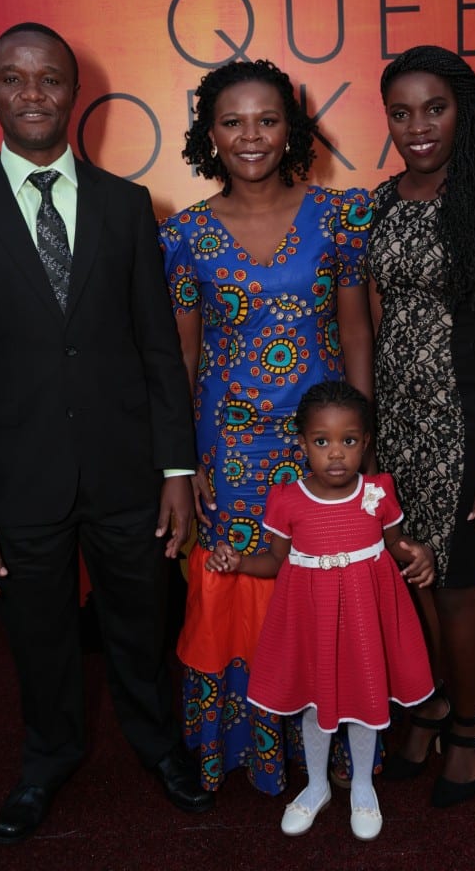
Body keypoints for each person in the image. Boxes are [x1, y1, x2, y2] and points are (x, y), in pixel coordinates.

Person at [0, 22, 213, 846]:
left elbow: (161, 351)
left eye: (48, 78)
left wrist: (173, 469)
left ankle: (159, 748)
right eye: (14, 78)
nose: (32, 94)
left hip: (129, 472)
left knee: (140, 622)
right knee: (39, 635)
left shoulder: (127, 206)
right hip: (18, 482)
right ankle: (47, 758)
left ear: (72, 91)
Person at [159, 59, 374, 795]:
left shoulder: (339, 216)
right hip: (230, 450)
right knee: (238, 588)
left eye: (266, 119)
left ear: (292, 129)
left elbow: (355, 337)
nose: (250, 136)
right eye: (231, 121)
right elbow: (183, 357)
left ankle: (332, 749)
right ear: (208, 135)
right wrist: (182, 466)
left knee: (323, 585)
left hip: (323, 450)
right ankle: (248, 748)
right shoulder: (184, 235)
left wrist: (362, 449)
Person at [367, 44, 475, 807]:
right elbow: (374, 325)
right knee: (402, 582)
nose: (417, 126)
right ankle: (429, 706)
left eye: (432, 108)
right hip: (393, 423)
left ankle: (469, 726)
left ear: (461, 109)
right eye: (400, 112)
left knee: (455, 585)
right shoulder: (380, 201)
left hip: (462, 418)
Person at [206, 381, 434, 840]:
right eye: (322, 441)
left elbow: (396, 546)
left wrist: (420, 552)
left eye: (348, 441)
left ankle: (363, 787)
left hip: (365, 620)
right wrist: (237, 563)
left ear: (365, 443)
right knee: (316, 704)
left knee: (365, 699)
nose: (335, 454)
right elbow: (273, 561)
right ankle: (316, 786)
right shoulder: (288, 499)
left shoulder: (378, 492)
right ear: (303, 443)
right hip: (313, 619)